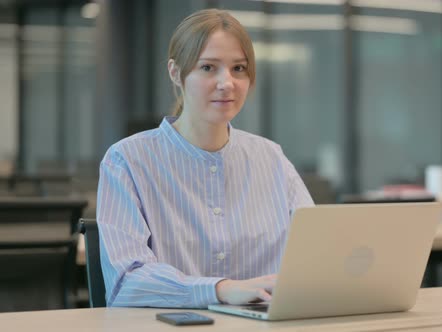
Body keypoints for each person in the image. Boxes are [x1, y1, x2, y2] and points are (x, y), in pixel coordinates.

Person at [96, 8, 314, 309]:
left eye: (239, 69)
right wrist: (220, 290)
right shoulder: (127, 161)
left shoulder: (272, 158)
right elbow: (127, 283)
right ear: (175, 72)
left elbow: (318, 253)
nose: (227, 83)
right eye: (209, 68)